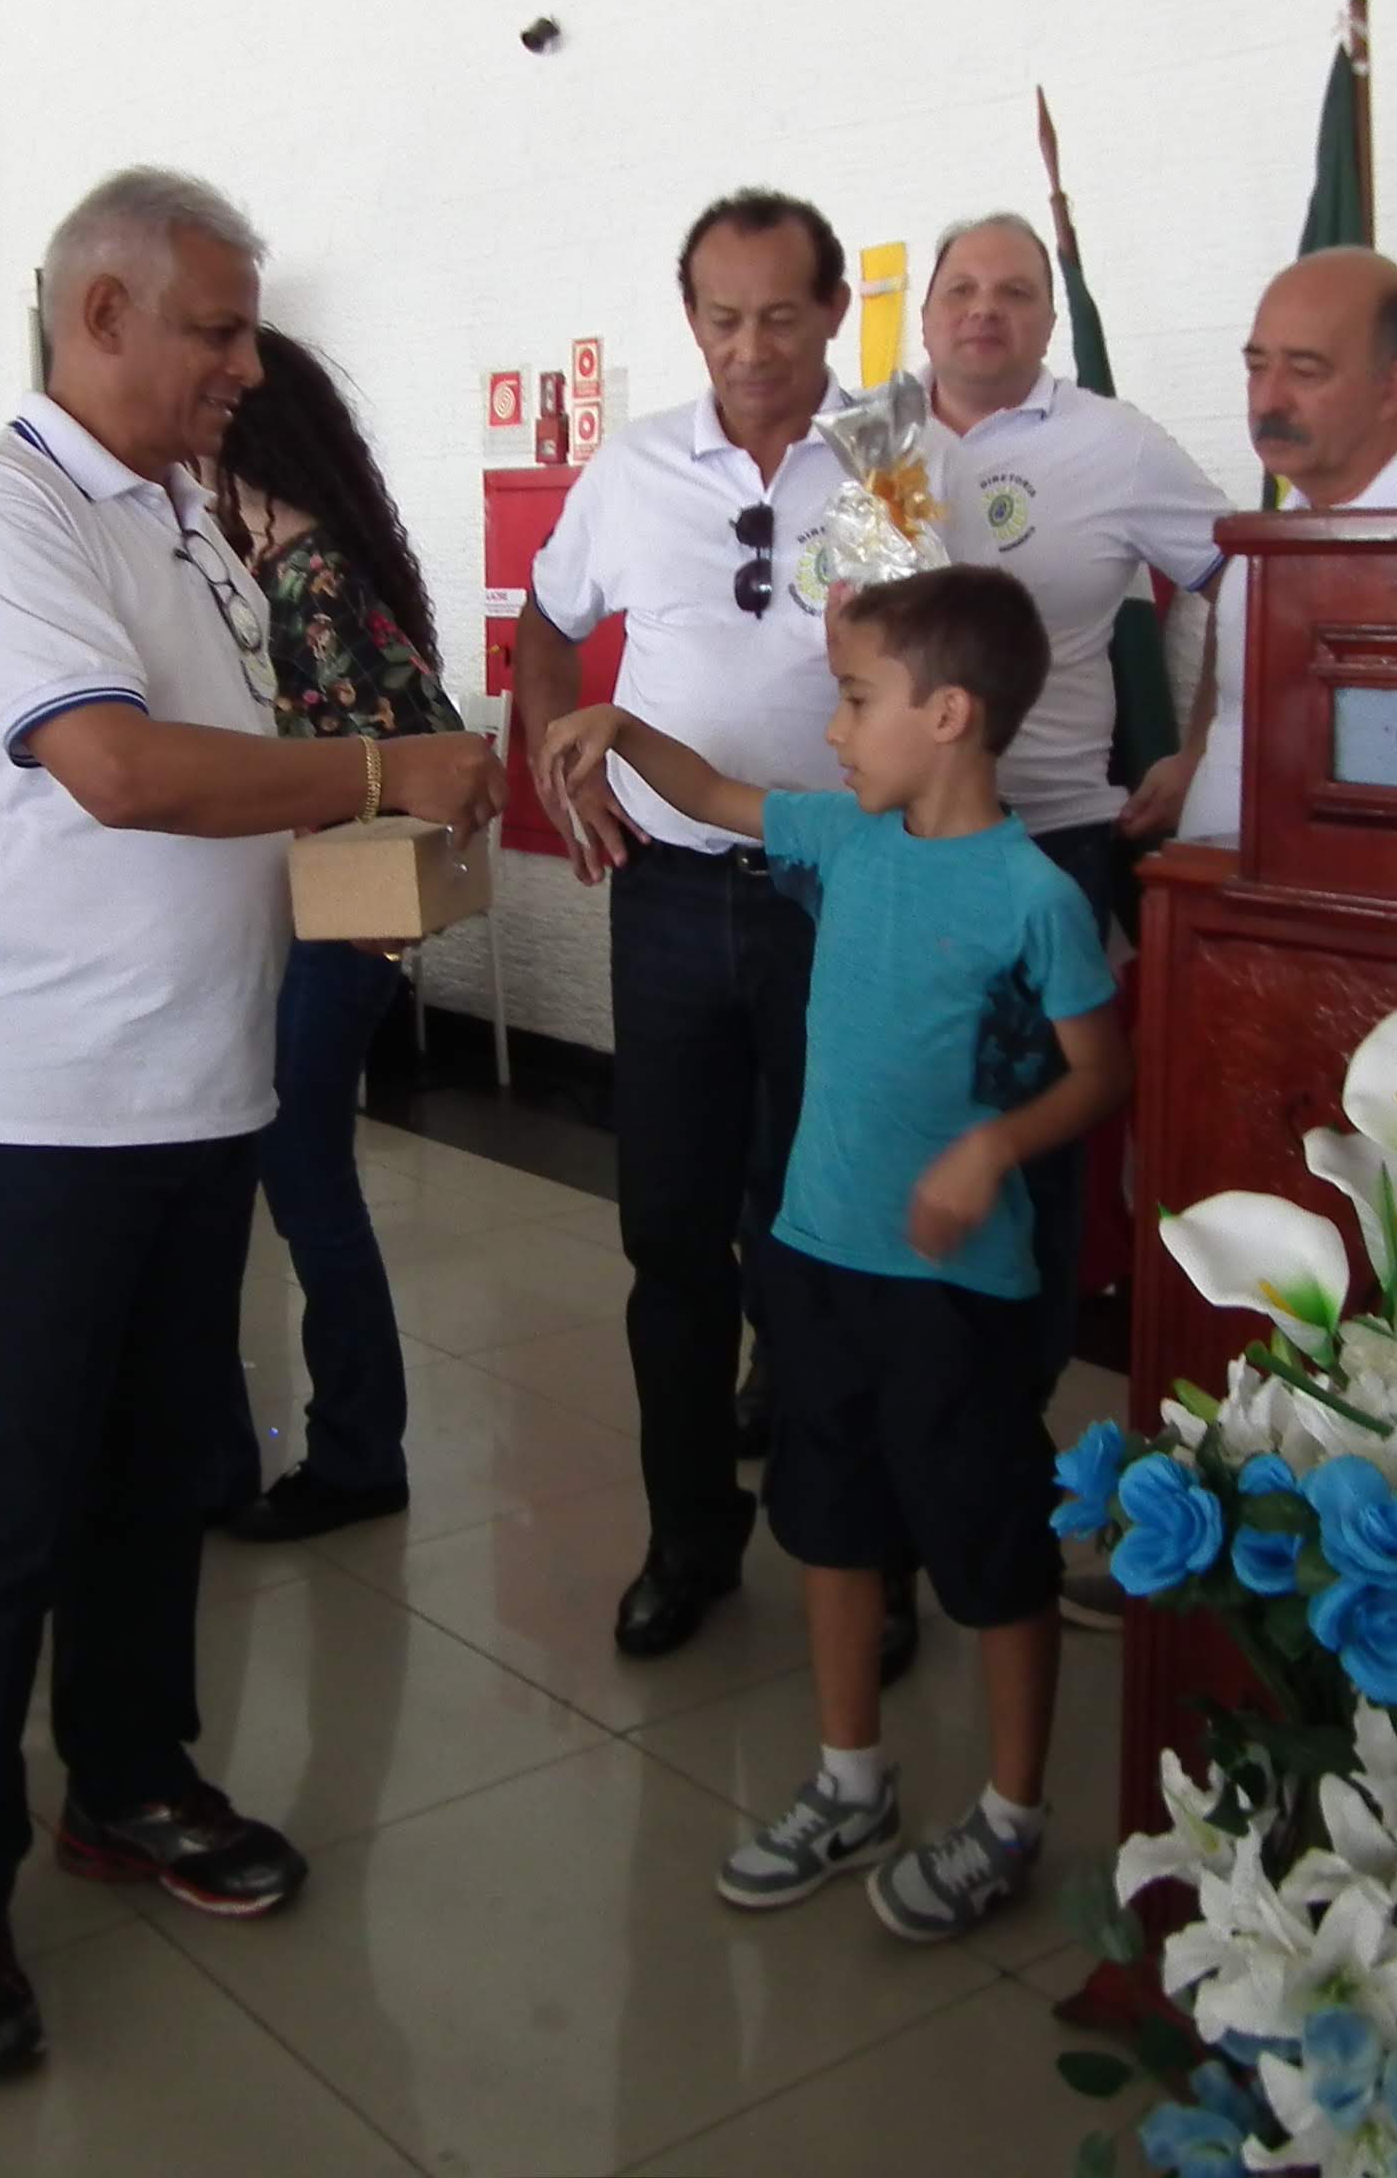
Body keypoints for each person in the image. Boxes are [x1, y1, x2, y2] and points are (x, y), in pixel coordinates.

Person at [0, 167, 501, 2082]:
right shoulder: (0, 512)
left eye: (244, 328)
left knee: (166, 1469)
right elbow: (122, 771)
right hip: (36, 1103)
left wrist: (380, 826)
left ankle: (129, 1780)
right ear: (102, 322)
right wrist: (395, 763)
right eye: (217, 329)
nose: (247, 361)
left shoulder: (187, 520)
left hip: (188, 1083)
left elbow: (235, 781)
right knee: (10, 1500)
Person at [544, 565, 1128, 1943]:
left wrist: (994, 1149)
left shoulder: (1031, 897)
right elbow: (711, 795)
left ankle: (1008, 1814)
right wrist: (617, 727)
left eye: (854, 701)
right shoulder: (846, 844)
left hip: (954, 1296)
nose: (829, 730)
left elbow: (1103, 1070)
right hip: (813, 1262)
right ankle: (850, 1778)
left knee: (990, 1551)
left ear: (948, 716)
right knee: (830, 1523)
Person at [515, 189, 917, 1678]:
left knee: (831, 1243)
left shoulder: (892, 462)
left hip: (844, 900)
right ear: (691, 320)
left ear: (830, 317)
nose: (752, 348)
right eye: (722, 317)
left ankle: (860, 1552)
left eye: (782, 316)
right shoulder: (630, 474)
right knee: (671, 1244)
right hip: (674, 901)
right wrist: (563, 758)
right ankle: (689, 1540)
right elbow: (552, 625)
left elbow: (944, 662)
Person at [913, 211, 1228, 1367]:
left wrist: (1201, 750)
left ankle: (1015, 1413)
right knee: (884, 1127)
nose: (984, 310)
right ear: (928, 311)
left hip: (1050, 846)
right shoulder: (864, 439)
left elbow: (1249, 574)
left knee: (1036, 1157)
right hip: (890, 849)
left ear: (1049, 317)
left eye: (1014, 291)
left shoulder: (1115, 443)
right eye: (962, 289)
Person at [210, 327, 466, 1542]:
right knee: (296, 1174)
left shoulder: (307, 582)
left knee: (307, 1178)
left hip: (339, 926)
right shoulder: (294, 566)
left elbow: (414, 763)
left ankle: (361, 1452)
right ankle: (339, 1444)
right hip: (316, 920)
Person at [1160, 249, 1397, 847]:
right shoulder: (1277, 526)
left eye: (1306, 372)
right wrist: (1193, 753)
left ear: (1393, 386)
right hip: (1217, 900)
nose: (1268, 400)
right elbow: (1238, 653)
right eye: (1257, 366)